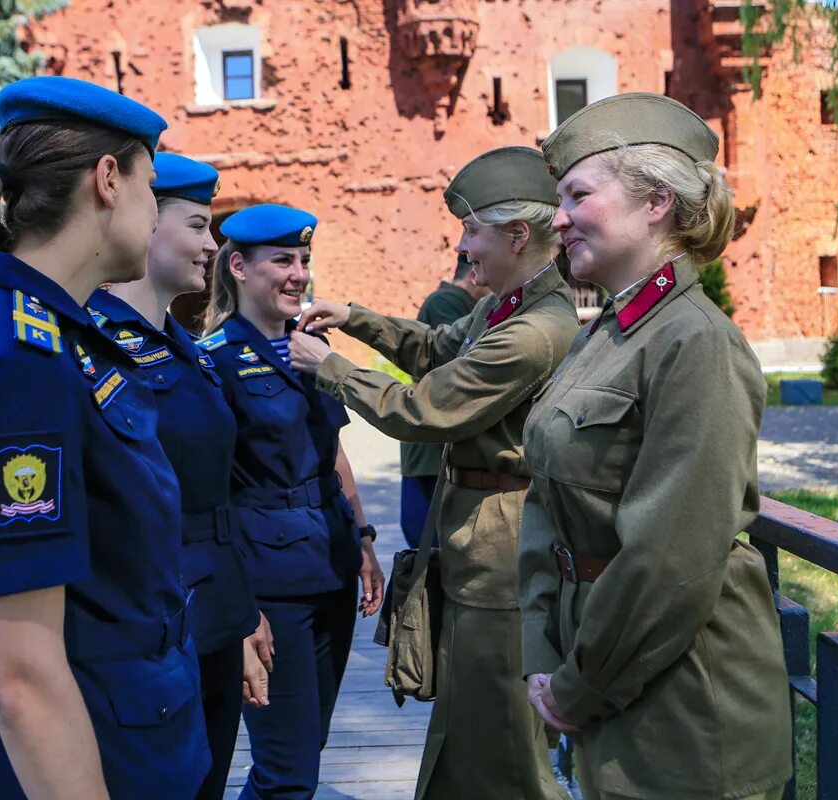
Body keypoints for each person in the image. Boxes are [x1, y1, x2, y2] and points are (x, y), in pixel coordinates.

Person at [0, 76, 209, 799]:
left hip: (132, 741)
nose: (152, 207)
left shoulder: (63, 338)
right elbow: (21, 674)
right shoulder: (17, 360)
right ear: (109, 180)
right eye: (150, 184)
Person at [519, 92, 792, 799]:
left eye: (579, 193)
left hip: (688, 709)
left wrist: (576, 688)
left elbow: (671, 561)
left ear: (656, 203)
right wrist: (542, 655)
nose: (558, 217)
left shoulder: (695, 342)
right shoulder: (605, 337)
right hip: (601, 673)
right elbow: (547, 505)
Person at [291, 146, 579, 800]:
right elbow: (433, 349)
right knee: (472, 724)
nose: (463, 246)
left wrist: (328, 367)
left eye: (472, 231)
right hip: (481, 543)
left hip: (505, 557)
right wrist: (356, 319)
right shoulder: (506, 307)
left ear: (518, 235)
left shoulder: (535, 329)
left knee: (507, 737)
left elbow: (425, 407)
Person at [84, 153, 269, 800]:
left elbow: (214, 496)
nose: (212, 245)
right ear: (145, 223)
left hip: (212, 619)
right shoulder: (93, 345)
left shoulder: (182, 346)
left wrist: (242, 614)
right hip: (149, 633)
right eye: (197, 226)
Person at [197, 204, 385, 799]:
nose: (299, 274)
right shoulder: (215, 361)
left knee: (307, 748)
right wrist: (237, 604)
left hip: (330, 567)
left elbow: (332, 452)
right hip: (269, 585)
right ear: (238, 267)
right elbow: (207, 493)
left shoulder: (310, 348)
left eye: (303, 260)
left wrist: (363, 539)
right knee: (287, 769)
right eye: (282, 260)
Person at [398, 253, 490, 548]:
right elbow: (462, 365)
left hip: (437, 447)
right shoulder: (445, 303)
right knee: (427, 541)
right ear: (473, 276)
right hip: (428, 453)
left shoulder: (461, 304)